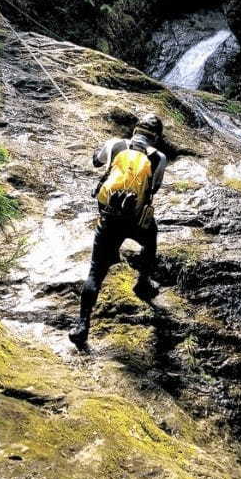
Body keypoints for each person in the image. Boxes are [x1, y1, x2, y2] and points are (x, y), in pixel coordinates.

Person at [69, 112, 167, 348]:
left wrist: (104, 153)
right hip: (136, 222)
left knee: (95, 272)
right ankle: (143, 282)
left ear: (135, 130)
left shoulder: (116, 145)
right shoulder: (159, 158)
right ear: (155, 138)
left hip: (109, 219)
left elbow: (95, 161)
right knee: (151, 238)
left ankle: (82, 326)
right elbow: (154, 188)